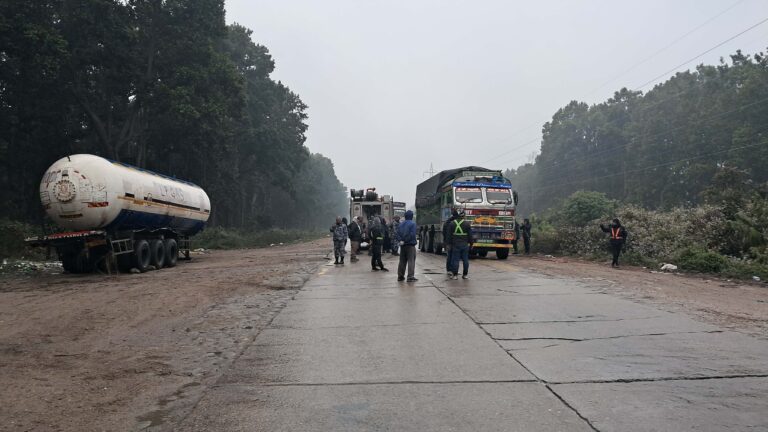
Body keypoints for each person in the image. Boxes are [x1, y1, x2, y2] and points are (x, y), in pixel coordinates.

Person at [446, 209, 472, 280]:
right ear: (463, 215)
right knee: (465, 260)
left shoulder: (452, 224)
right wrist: (471, 244)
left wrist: (448, 244)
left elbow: (448, 236)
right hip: (465, 245)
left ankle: (455, 275)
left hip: (455, 245)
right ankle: (465, 275)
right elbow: (470, 236)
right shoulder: (467, 224)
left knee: (455, 260)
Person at [397, 210, 418, 282]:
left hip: (402, 245)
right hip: (410, 245)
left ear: (405, 216)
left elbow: (397, 234)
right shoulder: (413, 224)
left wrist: (401, 241)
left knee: (402, 261)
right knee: (411, 261)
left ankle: (400, 276)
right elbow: (412, 235)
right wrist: (406, 240)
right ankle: (410, 277)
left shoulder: (400, 224)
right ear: (411, 216)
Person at [442, 210, 458, 275]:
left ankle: (449, 270)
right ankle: (452, 269)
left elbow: (443, 232)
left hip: (447, 242)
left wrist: (445, 240)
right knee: (454, 256)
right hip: (454, 241)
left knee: (449, 256)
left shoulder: (446, 222)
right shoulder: (455, 223)